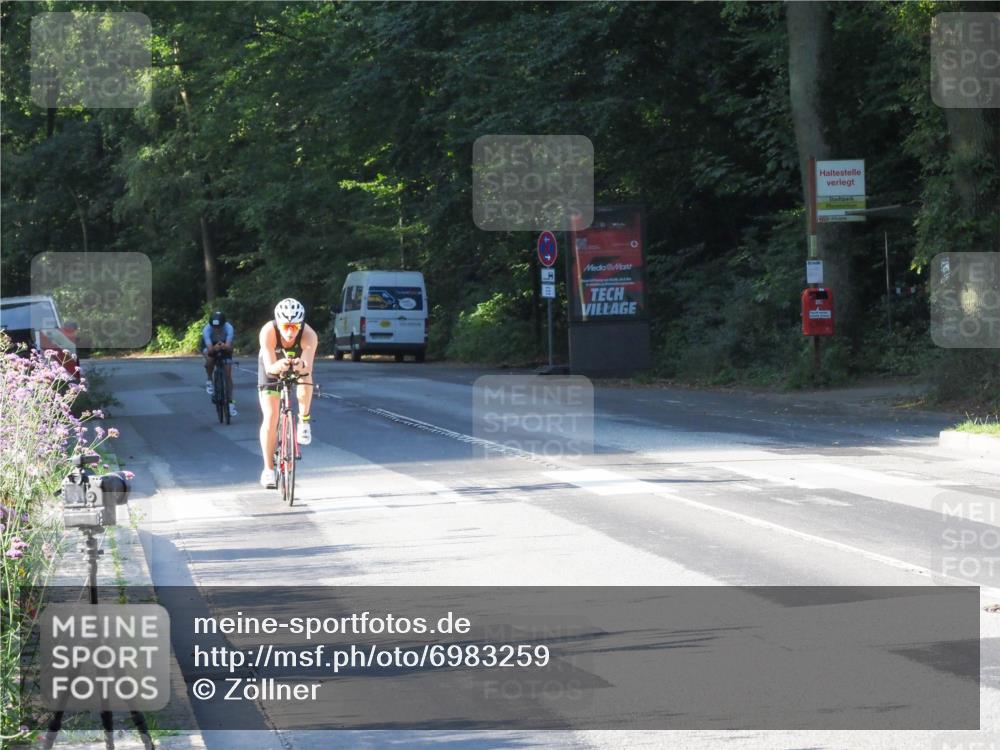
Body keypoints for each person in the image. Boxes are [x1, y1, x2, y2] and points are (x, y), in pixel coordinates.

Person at [257, 297, 318, 488]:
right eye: (286, 326)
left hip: (297, 362)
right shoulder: (268, 331)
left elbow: (308, 368)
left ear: (301, 324)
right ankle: (268, 470)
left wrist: (300, 365)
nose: (290, 331)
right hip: (272, 365)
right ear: (278, 322)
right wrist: (278, 365)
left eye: (295, 326)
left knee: (305, 379)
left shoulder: (309, 335)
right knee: (271, 415)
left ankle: (304, 420)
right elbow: (269, 367)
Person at [202, 310, 237, 417]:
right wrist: (214, 348)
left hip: (224, 344)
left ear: (223, 324)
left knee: (228, 374)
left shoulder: (229, 328)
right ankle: (209, 379)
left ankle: (231, 403)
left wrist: (224, 346)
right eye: (214, 327)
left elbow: (229, 346)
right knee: (210, 359)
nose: (216, 329)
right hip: (210, 345)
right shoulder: (207, 329)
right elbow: (210, 350)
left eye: (219, 327)